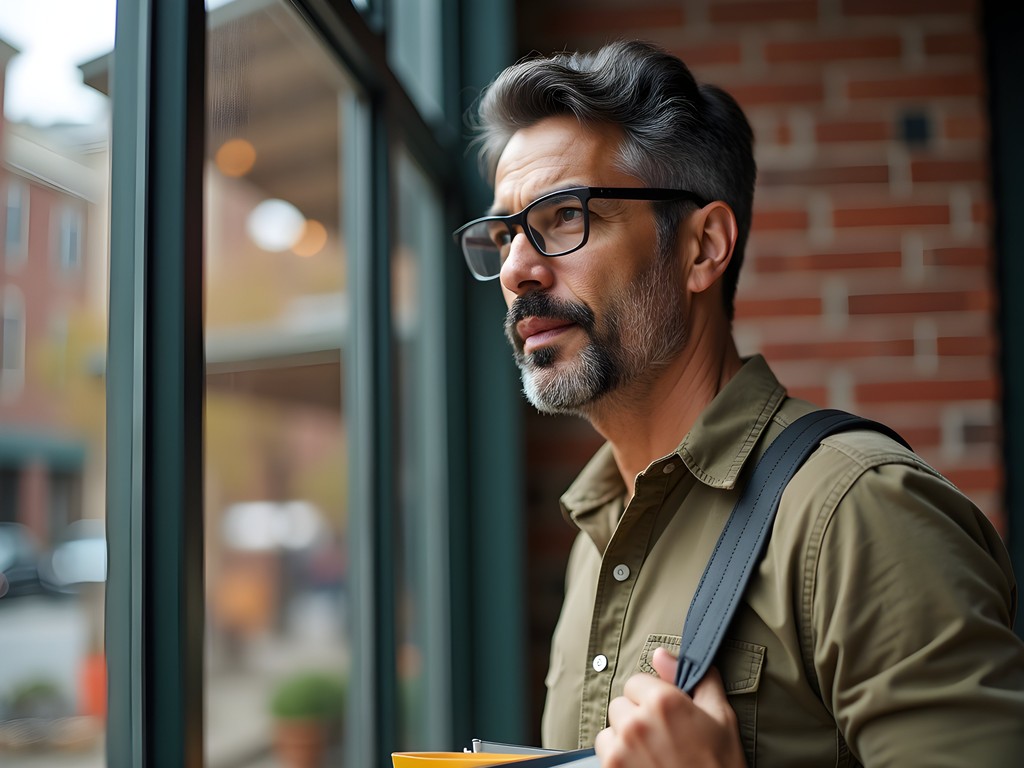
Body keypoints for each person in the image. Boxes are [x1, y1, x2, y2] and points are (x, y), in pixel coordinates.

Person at [454, 40, 1024, 767]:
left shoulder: (861, 514)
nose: (516, 269)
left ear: (702, 247)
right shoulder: (594, 545)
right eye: (504, 233)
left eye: (564, 216)